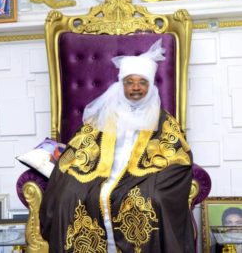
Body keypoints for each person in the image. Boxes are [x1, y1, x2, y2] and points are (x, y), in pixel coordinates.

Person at [40, 39, 195, 253]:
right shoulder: (106, 115)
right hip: (99, 172)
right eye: (130, 82)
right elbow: (81, 147)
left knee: (150, 199)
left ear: (150, 87)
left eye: (142, 82)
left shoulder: (163, 121)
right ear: (121, 85)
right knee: (68, 194)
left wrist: (155, 181)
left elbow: (179, 157)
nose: (135, 88)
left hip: (142, 176)